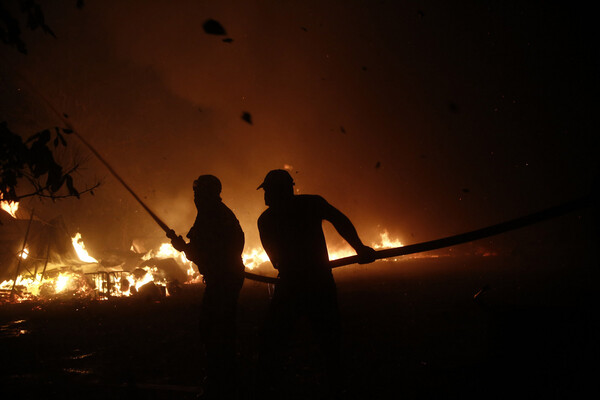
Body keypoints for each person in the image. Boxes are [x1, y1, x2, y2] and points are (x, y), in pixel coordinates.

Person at [255, 169, 376, 397]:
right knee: (329, 339)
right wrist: (359, 248)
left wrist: (360, 248)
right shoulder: (312, 204)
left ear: (280, 190)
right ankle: (336, 385)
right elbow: (340, 220)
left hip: (291, 285)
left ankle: (267, 387)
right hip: (319, 281)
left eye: (268, 190)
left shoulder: (267, 220)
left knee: (273, 340)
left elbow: (276, 262)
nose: (265, 195)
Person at [168, 174, 245, 399]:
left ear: (208, 193)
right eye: (195, 193)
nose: (195, 197)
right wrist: (184, 246)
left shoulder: (213, 215)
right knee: (219, 326)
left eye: (198, 193)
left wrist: (184, 248)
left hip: (223, 278)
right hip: (225, 276)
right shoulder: (213, 212)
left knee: (213, 327)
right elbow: (200, 249)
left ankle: (222, 380)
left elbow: (204, 252)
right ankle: (224, 376)